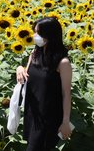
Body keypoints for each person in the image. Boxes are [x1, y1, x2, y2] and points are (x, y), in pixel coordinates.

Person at [16, 17, 73, 151]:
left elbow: (66, 94)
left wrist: (65, 121)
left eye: (38, 33)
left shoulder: (62, 63)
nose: (34, 36)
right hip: (33, 113)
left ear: (50, 35)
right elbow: (28, 73)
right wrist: (19, 68)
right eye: (34, 32)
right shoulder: (34, 54)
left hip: (49, 117)